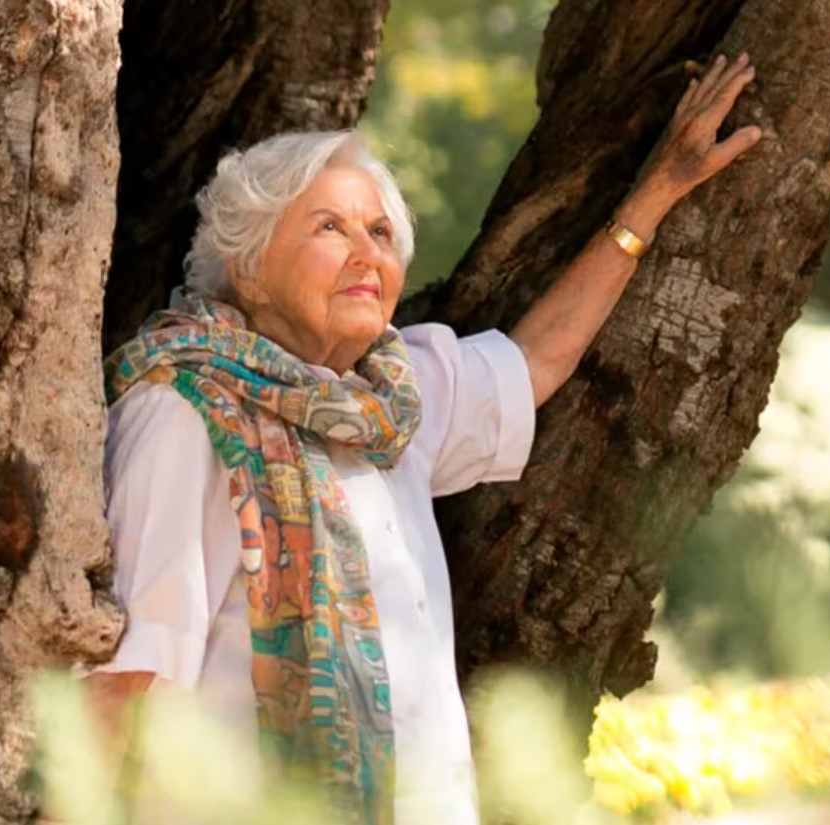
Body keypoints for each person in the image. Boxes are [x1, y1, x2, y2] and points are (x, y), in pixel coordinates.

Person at [86, 53, 762, 824]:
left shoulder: (392, 397)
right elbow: (123, 680)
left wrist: (658, 190)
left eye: (379, 231)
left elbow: (536, 358)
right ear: (245, 266)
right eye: (329, 227)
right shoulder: (181, 410)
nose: (367, 251)